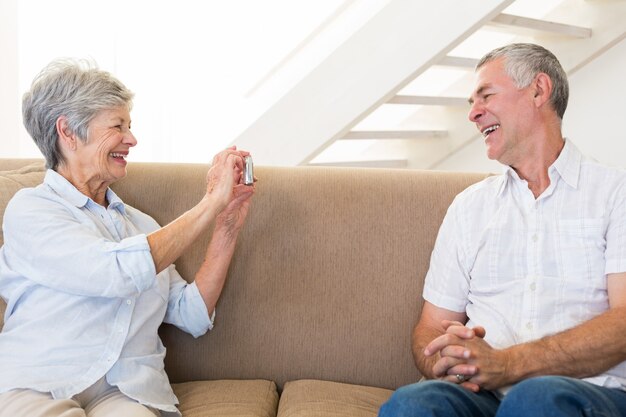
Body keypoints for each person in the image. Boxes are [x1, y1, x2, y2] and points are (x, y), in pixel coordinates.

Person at [379, 43, 626, 416]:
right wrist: (446, 359)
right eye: (471, 103)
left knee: (537, 400)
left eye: (486, 96)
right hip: (481, 395)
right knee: (413, 404)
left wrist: (508, 364)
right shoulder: (469, 207)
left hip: (586, 392)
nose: (474, 114)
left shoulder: (615, 193)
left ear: (539, 91)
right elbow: (430, 327)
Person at [0, 59, 255, 417]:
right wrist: (210, 204)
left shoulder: (142, 226)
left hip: (124, 391)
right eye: (118, 126)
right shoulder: (31, 211)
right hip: (38, 383)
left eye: (130, 126)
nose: (132, 139)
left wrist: (227, 222)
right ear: (68, 133)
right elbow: (113, 272)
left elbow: (191, 314)